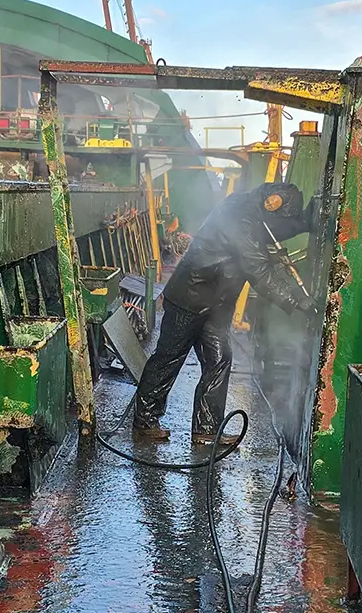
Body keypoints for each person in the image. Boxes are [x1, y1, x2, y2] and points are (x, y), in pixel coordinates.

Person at [132, 180, 313, 448]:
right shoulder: (242, 220)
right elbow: (258, 271)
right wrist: (297, 299)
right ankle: (144, 422)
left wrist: (305, 223)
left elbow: (275, 228)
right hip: (190, 297)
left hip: (215, 303)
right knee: (168, 358)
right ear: (271, 207)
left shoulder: (251, 207)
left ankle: (206, 430)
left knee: (219, 359)